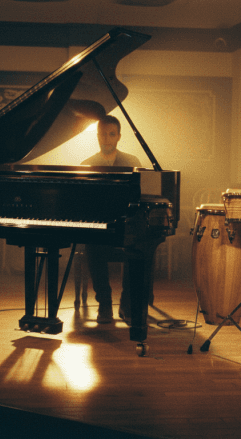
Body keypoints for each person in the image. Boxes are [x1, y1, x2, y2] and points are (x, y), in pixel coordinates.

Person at [82, 116, 141, 323]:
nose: (106, 138)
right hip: (100, 227)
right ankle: (104, 303)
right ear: (97, 135)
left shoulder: (133, 162)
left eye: (111, 134)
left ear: (118, 137)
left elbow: (138, 198)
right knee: (92, 242)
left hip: (125, 225)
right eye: (102, 134)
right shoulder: (86, 165)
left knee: (138, 243)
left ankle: (127, 304)